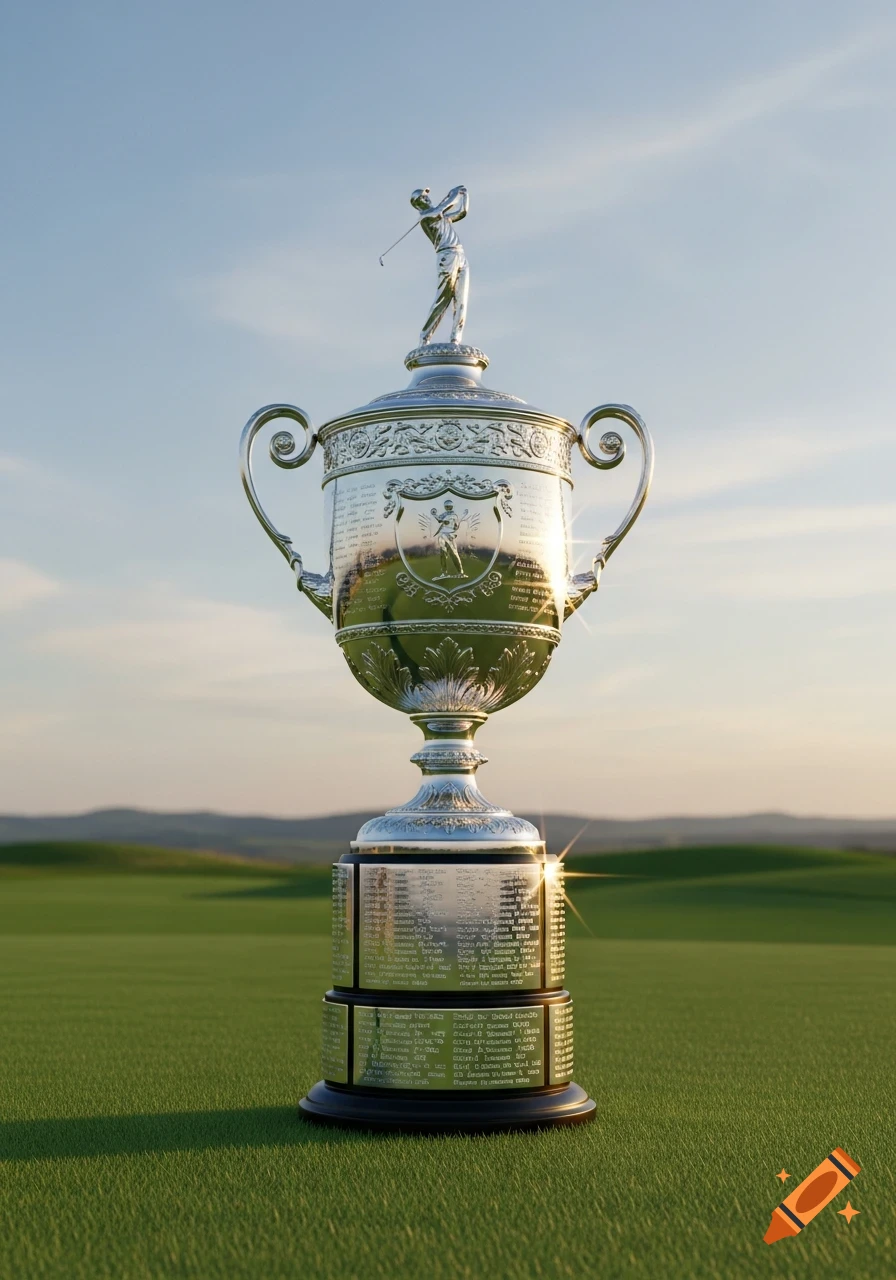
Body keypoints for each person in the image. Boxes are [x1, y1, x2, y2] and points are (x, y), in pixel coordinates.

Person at [410, 185, 469, 345]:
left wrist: (464, 196)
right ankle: (425, 336)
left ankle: (455, 338)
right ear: (418, 204)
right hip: (447, 256)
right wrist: (455, 194)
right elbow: (445, 206)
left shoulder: (441, 216)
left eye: (426, 196)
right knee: (444, 298)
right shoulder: (426, 217)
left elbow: (461, 212)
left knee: (461, 298)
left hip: (460, 254)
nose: (427, 198)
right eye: (422, 198)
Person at [431, 500, 467, 579]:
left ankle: (460, 573)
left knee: (454, 554)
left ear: (451, 506)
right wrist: (434, 514)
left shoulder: (454, 515)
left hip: (449, 536)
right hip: (442, 536)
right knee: (443, 554)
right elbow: (439, 519)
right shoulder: (445, 514)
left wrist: (453, 533)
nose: (447, 507)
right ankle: (444, 572)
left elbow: (455, 527)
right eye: (446, 506)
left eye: (449, 506)